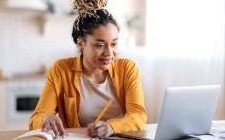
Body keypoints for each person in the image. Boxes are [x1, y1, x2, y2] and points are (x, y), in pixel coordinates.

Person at [29, 0, 147, 138]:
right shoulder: (61, 70)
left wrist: (111, 127)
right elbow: (36, 119)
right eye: (99, 45)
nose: (109, 53)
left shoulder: (127, 68)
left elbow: (139, 116)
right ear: (81, 43)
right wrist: (45, 120)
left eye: (114, 44)